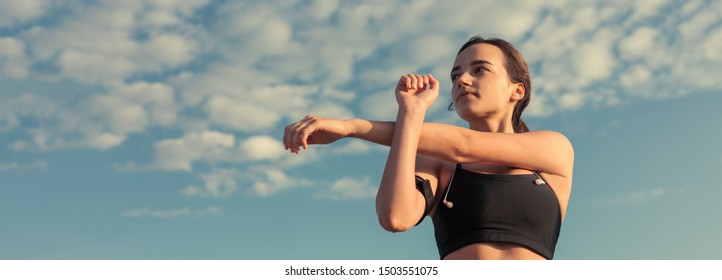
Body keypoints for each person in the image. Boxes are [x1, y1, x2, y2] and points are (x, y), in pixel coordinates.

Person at [283, 36, 574, 260]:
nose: (462, 80)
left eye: (480, 69)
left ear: (517, 90)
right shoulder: (438, 164)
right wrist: (410, 112)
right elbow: (395, 217)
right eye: (455, 75)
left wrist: (352, 127)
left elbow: (464, 146)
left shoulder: (551, 149)